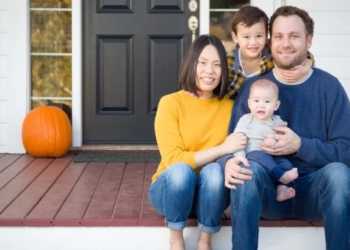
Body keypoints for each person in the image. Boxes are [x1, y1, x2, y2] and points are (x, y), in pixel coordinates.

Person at [219, 6, 350, 250]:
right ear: (271, 41)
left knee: (339, 175)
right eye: (278, 36)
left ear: (309, 40)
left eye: (294, 36)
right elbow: (233, 142)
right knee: (246, 171)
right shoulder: (254, 88)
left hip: (315, 192)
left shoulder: (329, 87)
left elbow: (347, 150)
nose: (285, 43)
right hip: (267, 191)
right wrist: (228, 161)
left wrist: (301, 145)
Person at [148, 35, 247, 250]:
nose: (209, 71)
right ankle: (176, 241)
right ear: (190, 64)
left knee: (214, 172)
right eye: (202, 63)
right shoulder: (170, 103)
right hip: (171, 192)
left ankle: (205, 242)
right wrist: (222, 148)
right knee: (181, 171)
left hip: (209, 196)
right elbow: (173, 159)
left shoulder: (231, 108)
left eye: (217, 65)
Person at [226, 6, 314, 100]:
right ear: (235, 37)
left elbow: (302, 53)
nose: (253, 43)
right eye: (246, 37)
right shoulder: (228, 60)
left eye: (259, 36)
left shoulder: (270, 52)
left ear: (266, 35)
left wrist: (306, 67)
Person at [233, 79, 298, 202]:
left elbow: (283, 140)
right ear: (249, 103)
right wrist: (240, 156)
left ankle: (282, 189)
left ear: (276, 105)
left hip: (274, 155)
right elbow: (237, 139)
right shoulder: (246, 120)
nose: (261, 105)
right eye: (256, 101)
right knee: (260, 155)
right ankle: (281, 177)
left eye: (267, 101)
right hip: (253, 155)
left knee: (286, 164)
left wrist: (274, 141)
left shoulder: (277, 121)